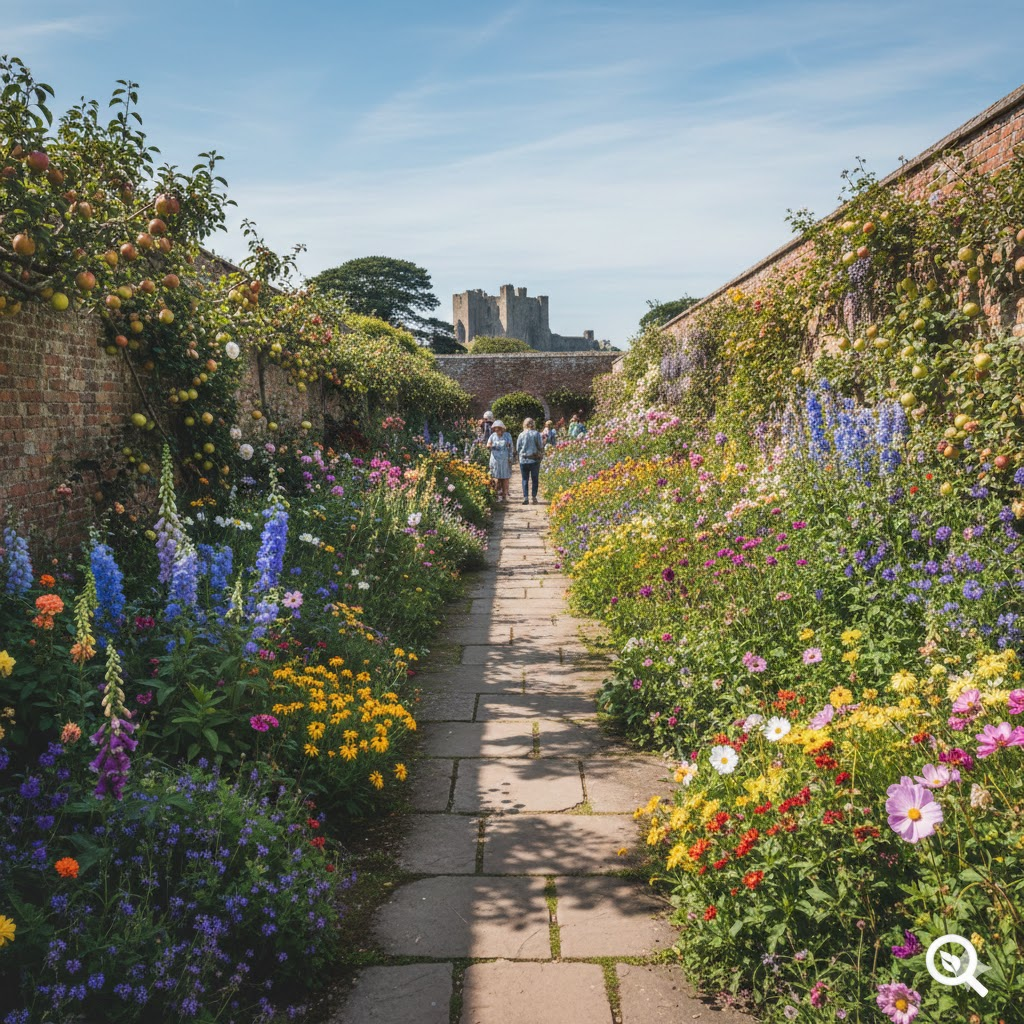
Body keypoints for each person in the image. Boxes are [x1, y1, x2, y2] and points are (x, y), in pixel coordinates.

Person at [516, 417, 544, 505]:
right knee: (535, 479)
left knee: (525, 479)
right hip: (534, 459)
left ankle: (526, 497)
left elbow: (518, 448)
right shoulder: (536, 434)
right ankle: (534, 497)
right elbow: (540, 446)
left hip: (523, 459)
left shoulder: (521, 435)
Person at [486, 420, 513, 502]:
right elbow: (488, 445)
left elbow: (510, 446)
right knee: (496, 477)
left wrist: (511, 457)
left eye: (499, 429)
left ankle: (504, 495)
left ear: (502, 429)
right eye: (495, 429)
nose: (497, 431)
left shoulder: (507, 435)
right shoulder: (492, 436)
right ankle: (496, 495)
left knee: (505, 478)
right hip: (495, 460)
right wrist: (497, 444)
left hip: (504, 459)